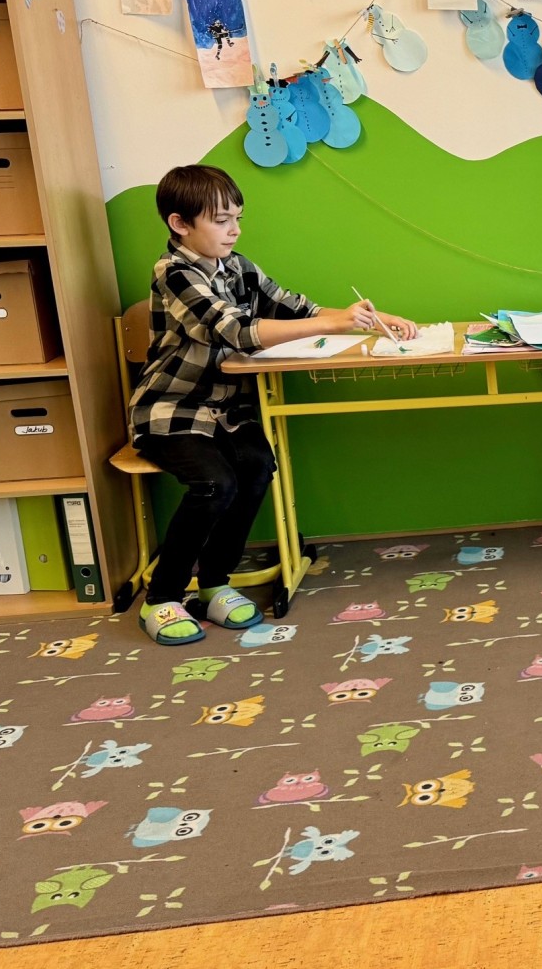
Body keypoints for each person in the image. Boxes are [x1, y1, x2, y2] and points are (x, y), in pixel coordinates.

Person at [130, 165, 417, 645]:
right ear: (180, 224)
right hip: (172, 409)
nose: (234, 230)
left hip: (229, 409)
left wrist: (369, 317)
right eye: (221, 220)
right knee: (214, 484)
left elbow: (296, 307)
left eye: (237, 218)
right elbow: (238, 331)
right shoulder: (174, 272)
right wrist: (332, 325)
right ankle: (162, 597)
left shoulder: (238, 266)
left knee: (257, 467)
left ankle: (214, 584)